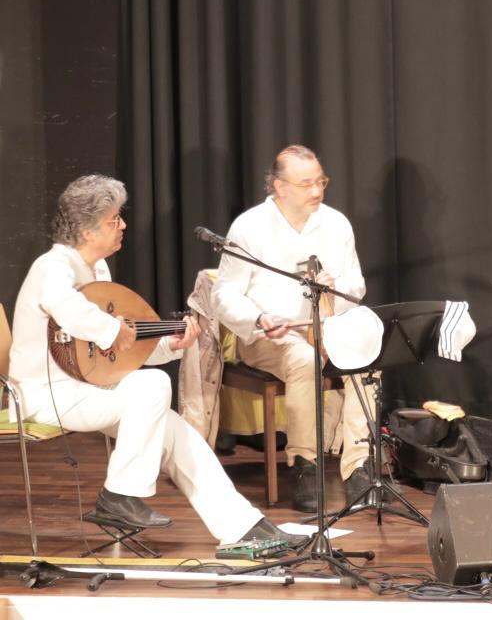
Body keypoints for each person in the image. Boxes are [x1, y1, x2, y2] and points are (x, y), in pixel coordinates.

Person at [8, 175, 289, 544]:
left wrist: (169, 344)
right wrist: (113, 329)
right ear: (87, 232)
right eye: (114, 219)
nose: (123, 225)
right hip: (45, 396)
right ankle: (119, 495)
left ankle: (245, 527)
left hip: (90, 389)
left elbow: (118, 350)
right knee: (153, 384)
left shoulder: (99, 271)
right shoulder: (53, 267)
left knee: (180, 436)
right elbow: (73, 311)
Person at [211, 145, 376, 513]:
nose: (317, 191)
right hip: (270, 335)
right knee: (303, 358)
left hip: (326, 327)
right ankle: (305, 465)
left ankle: (358, 467)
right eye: (306, 184)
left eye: (321, 181)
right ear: (279, 186)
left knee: (368, 358)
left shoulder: (336, 223)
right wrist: (258, 319)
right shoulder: (249, 227)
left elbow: (357, 286)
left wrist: (335, 289)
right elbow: (224, 295)